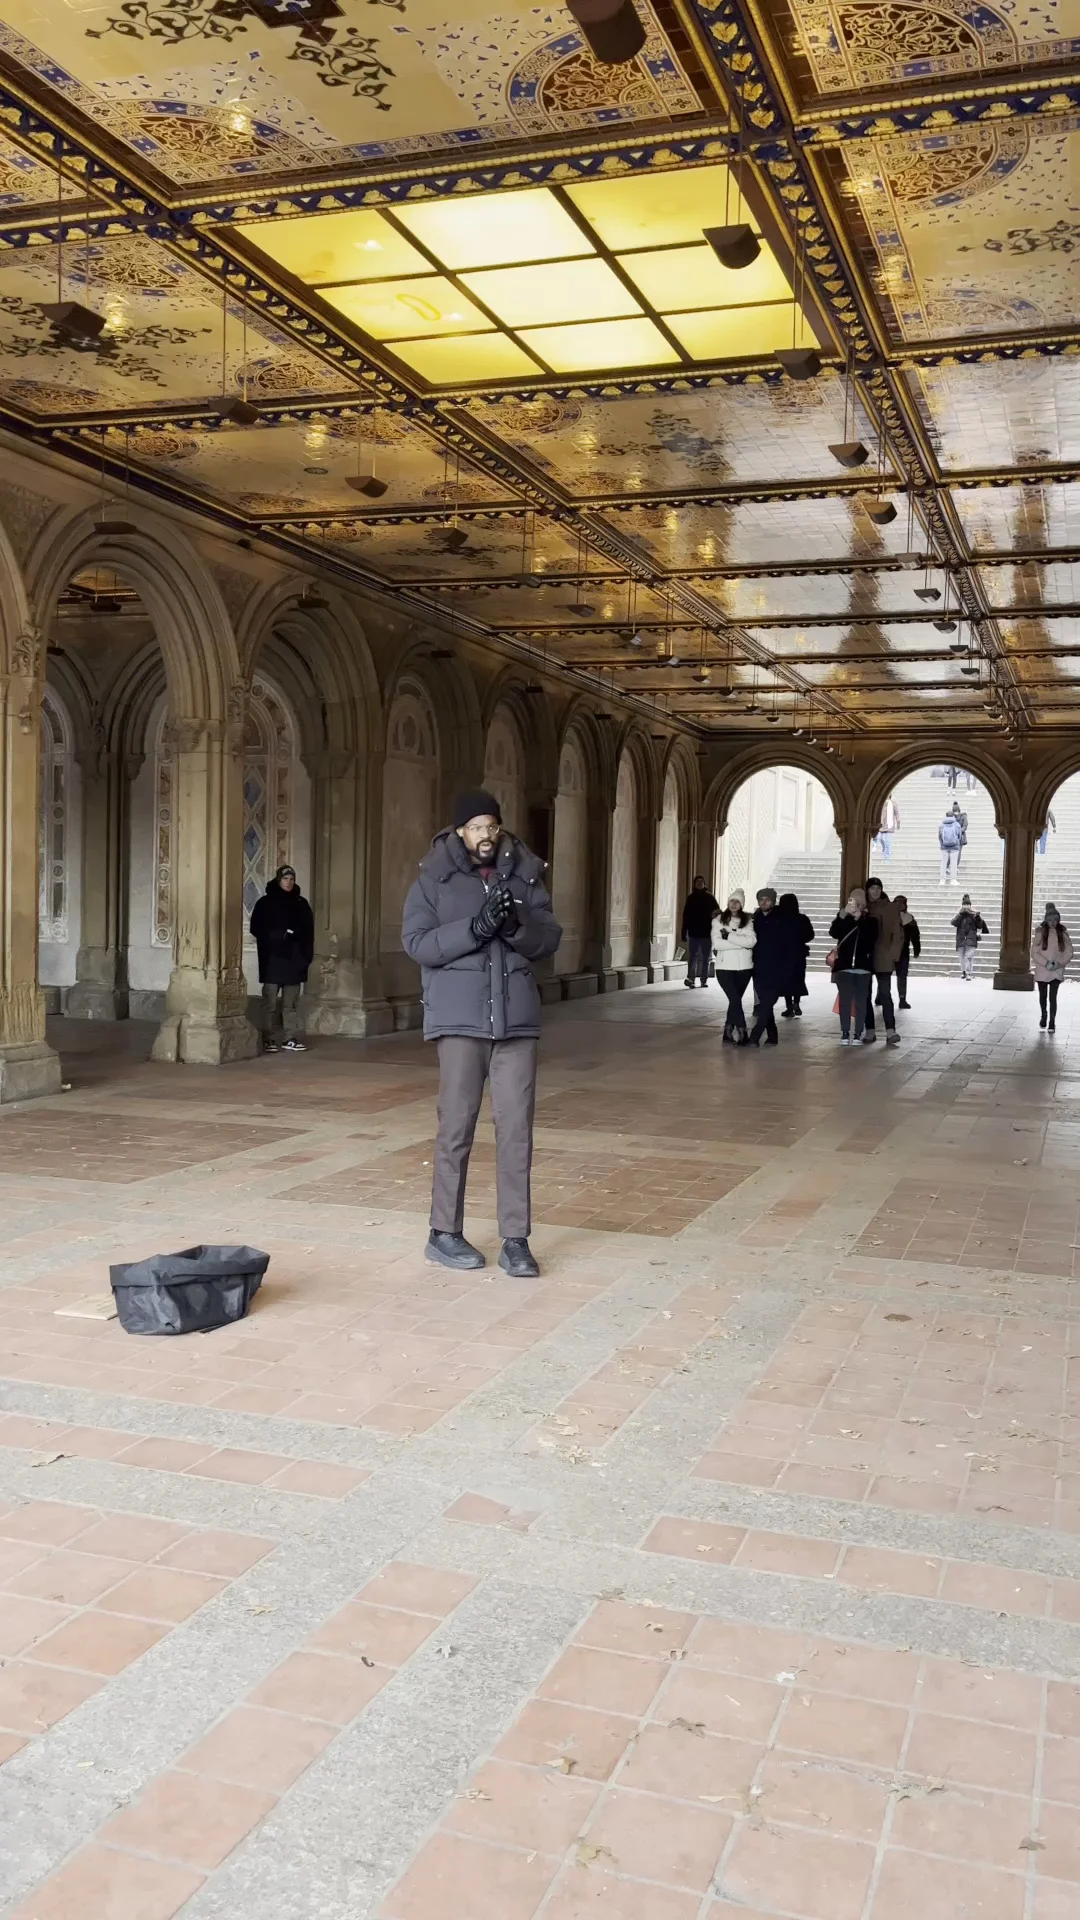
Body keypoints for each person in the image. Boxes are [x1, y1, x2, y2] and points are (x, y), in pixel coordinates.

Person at [402, 789, 561, 1277]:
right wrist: (474, 928)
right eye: (475, 828)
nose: (485, 836)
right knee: (456, 1127)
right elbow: (417, 944)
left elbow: (549, 937)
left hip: (515, 1022)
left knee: (516, 1131)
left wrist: (514, 926)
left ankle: (516, 1239)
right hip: (459, 1019)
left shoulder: (525, 873)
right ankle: (443, 1233)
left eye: (491, 826)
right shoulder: (434, 879)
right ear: (458, 832)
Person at [250, 864, 314, 1054]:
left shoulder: (301, 904)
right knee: (269, 1003)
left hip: (294, 962)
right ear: (279, 880)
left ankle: (290, 1037)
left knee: (291, 1004)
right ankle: (268, 1038)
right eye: (286, 878)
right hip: (272, 961)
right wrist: (279, 936)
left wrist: (305, 957)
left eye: (292, 879)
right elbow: (257, 928)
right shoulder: (265, 903)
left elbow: (308, 933)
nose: (289, 882)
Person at [749, 886, 804, 1046]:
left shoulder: (783, 919)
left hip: (779, 969)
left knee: (766, 1004)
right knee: (766, 1003)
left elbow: (790, 945)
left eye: (767, 899)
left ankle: (754, 1036)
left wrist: (788, 968)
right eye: (761, 899)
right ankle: (773, 1036)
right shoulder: (756, 918)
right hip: (759, 968)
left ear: (773, 901)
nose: (764, 902)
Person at [829, 889, 878, 1045]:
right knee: (844, 1001)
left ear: (862, 903)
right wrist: (844, 915)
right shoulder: (843, 918)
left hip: (863, 968)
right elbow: (834, 932)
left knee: (861, 1002)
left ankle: (857, 1033)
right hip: (844, 966)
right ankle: (844, 1032)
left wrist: (859, 918)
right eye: (850, 900)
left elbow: (871, 940)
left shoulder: (871, 920)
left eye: (856, 901)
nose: (853, 903)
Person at [861, 877, 903, 1046]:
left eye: (878, 888)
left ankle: (890, 1031)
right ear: (867, 890)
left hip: (884, 956)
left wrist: (894, 955)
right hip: (865, 957)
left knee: (885, 994)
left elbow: (897, 933)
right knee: (865, 995)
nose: (876, 891)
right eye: (872, 888)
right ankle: (869, 1030)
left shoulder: (890, 908)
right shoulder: (862, 907)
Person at [711, 889, 755, 1043]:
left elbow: (751, 942)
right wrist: (740, 942)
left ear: (741, 904)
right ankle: (742, 1030)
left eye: (737, 901)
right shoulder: (718, 921)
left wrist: (728, 936)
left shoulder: (748, 921)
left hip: (744, 968)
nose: (734, 904)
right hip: (724, 967)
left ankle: (728, 1030)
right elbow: (717, 944)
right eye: (731, 901)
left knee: (734, 1000)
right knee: (735, 999)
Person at [1031, 903, 1072, 1032]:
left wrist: (1060, 963)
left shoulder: (1063, 933)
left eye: (1055, 920)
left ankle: (1052, 1021)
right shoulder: (1040, 932)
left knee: (1053, 997)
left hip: (1056, 970)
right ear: (1046, 920)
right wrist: (1045, 963)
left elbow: (1069, 951)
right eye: (1050, 920)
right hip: (1043, 970)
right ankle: (1044, 1015)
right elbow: (1034, 951)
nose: (1052, 923)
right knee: (1043, 997)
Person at [778, 892, 815, 1016]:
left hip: (783, 955)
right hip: (799, 954)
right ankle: (797, 1003)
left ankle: (789, 1006)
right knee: (799, 978)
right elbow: (810, 935)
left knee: (786, 980)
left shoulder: (779, 919)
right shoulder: (802, 918)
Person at [680, 874, 720, 988]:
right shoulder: (691, 898)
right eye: (697, 882)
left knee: (706, 958)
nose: (699, 884)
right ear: (694, 884)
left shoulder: (710, 898)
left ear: (704, 884)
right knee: (693, 957)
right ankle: (691, 979)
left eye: (701, 882)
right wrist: (684, 931)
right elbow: (686, 916)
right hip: (694, 933)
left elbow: (718, 914)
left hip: (707, 933)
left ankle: (704, 980)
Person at [952, 893, 988, 980]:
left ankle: (968, 973)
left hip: (971, 938)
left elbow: (980, 925)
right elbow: (953, 923)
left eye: (968, 904)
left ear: (970, 905)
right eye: (965, 904)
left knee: (968, 956)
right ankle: (964, 971)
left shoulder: (974, 914)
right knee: (962, 957)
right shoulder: (959, 914)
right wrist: (960, 914)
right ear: (962, 905)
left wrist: (978, 917)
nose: (966, 906)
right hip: (961, 938)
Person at [894, 894, 921, 1009]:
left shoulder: (909, 919)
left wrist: (916, 949)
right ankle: (881, 995)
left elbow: (915, 936)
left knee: (902, 976)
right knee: (884, 975)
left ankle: (902, 999)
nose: (899, 904)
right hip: (888, 951)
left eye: (902, 902)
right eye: (897, 902)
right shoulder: (888, 917)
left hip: (903, 952)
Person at [939, 805, 964, 885]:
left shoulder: (942, 825)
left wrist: (942, 844)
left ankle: (942, 880)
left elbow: (940, 836)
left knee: (943, 863)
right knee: (953, 863)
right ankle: (953, 880)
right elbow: (959, 836)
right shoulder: (956, 825)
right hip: (954, 847)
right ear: (953, 816)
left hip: (944, 847)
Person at [873, 793, 900, 860]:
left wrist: (898, 822)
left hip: (889, 824)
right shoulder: (880, 801)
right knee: (880, 838)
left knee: (888, 841)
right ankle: (884, 847)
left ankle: (886, 856)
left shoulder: (893, 801)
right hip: (882, 824)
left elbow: (896, 812)